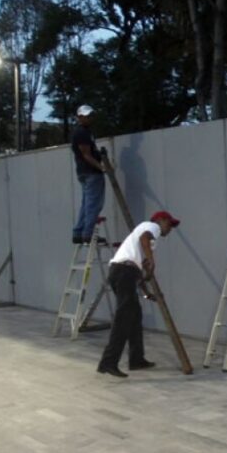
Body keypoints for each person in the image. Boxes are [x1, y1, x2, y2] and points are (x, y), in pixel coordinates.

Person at [97, 211, 181, 377]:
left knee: (135, 316)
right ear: (161, 220)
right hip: (123, 271)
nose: (170, 229)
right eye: (169, 224)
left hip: (124, 272)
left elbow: (140, 271)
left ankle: (136, 359)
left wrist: (146, 294)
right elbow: (144, 241)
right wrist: (152, 261)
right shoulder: (152, 227)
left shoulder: (147, 241)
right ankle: (108, 362)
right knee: (123, 318)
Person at [71, 105, 107, 245]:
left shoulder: (86, 132)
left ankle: (79, 233)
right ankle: (88, 234)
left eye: (90, 115)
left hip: (85, 172)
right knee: (94, 204)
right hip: (91, 172)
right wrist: (101, 167)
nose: (89, 118)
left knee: (87, 203)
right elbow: (86, 154)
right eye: (85, 116)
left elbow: (89, 153)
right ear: (79, 117)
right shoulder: (81, 133)